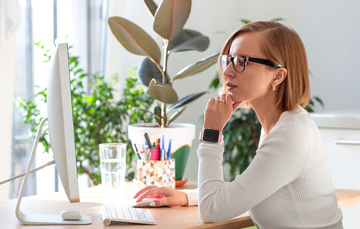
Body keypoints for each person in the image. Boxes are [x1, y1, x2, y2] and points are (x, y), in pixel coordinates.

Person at [133, 21, 343, 229]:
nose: (228, 72)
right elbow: (248, 190)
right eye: (229, 60)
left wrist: (212, 134)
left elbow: (212, 211)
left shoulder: (290, 135)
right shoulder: (281, 123)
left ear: (277, 76)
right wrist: (186, 197)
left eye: (242, 61)